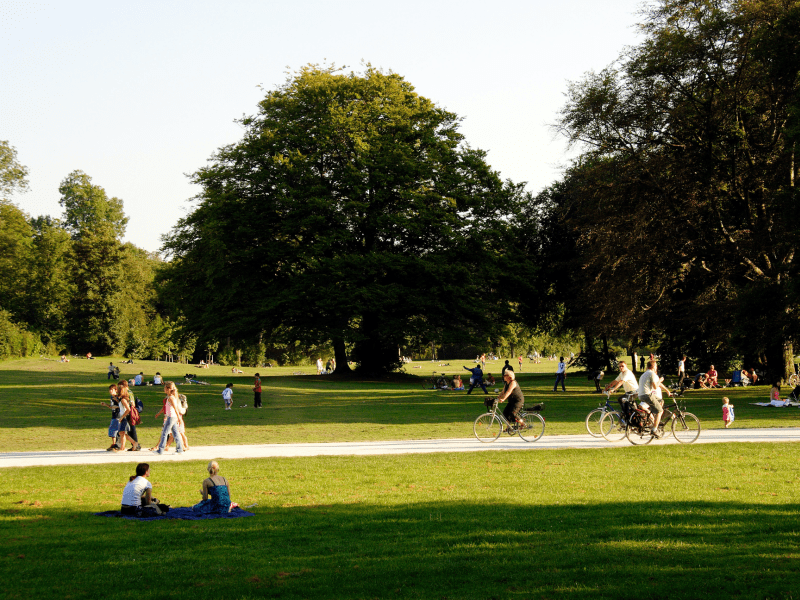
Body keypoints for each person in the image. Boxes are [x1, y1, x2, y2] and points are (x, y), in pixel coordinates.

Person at [637, 360, 672, 438]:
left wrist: (666, 390)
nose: (657, 367)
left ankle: (654, 418)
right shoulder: (652, 374)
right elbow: (655, 387)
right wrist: (660, 380)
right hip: (647, 395)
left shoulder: (644, 374)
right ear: (654, 366)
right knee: (660, 411)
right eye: (656, 366)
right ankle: (654, 429)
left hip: (641, 395)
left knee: (660, 400)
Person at [153, 381, 185, 454]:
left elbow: (175, 408)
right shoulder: (170, 397)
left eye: (164, 388)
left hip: (171, 417)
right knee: (175, 433)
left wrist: (179, 418)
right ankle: (180, 449)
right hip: (171, 417)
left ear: (168, 389)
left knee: (165, 433)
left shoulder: (171, 398)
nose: (164, 390)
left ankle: (160, 450)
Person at [100, 384, 122, 451]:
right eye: (110, 390)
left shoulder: (117, 397)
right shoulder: (111, 397)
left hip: (118, 415)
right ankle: (115, 444)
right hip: (114, 415)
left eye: (112, 389)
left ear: (116, 390)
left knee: (115, 430)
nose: (110, 391)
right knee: (113, 430)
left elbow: (120, 406)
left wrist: (116, 403)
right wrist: (106, 404)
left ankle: (116, 445)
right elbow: (111, 406)